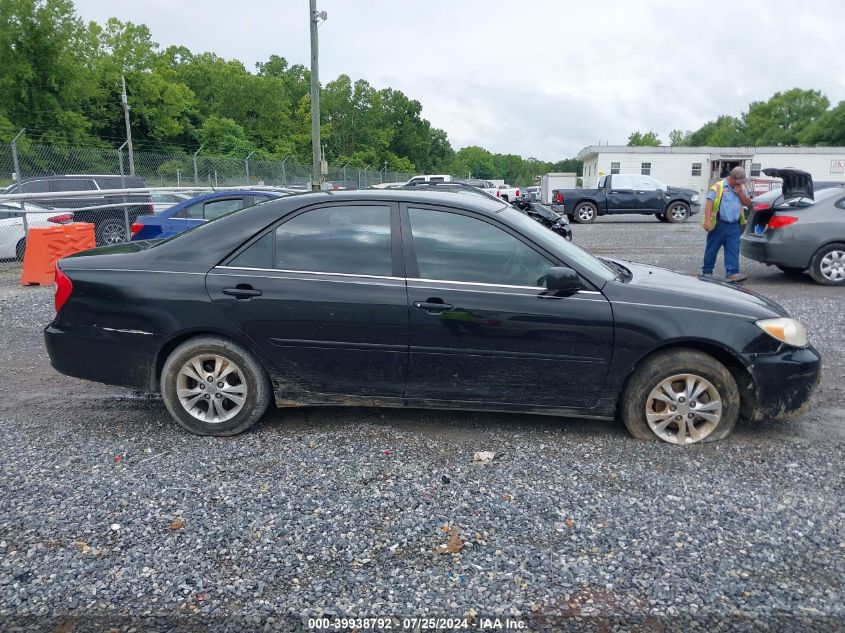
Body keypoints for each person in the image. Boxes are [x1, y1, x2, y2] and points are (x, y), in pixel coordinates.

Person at [700, 166, 753, 282]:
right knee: (712, 248)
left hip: (734, 225)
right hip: (719, 224)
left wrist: (740, 194)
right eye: (739, 181)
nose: (740, 184)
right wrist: (707, 221)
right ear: (733, 178)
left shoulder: (741, 188)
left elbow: (748, 203)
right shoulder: (718, 187)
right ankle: (707, 272)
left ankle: (732, 273)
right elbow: (709, 203)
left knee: (733, 249)